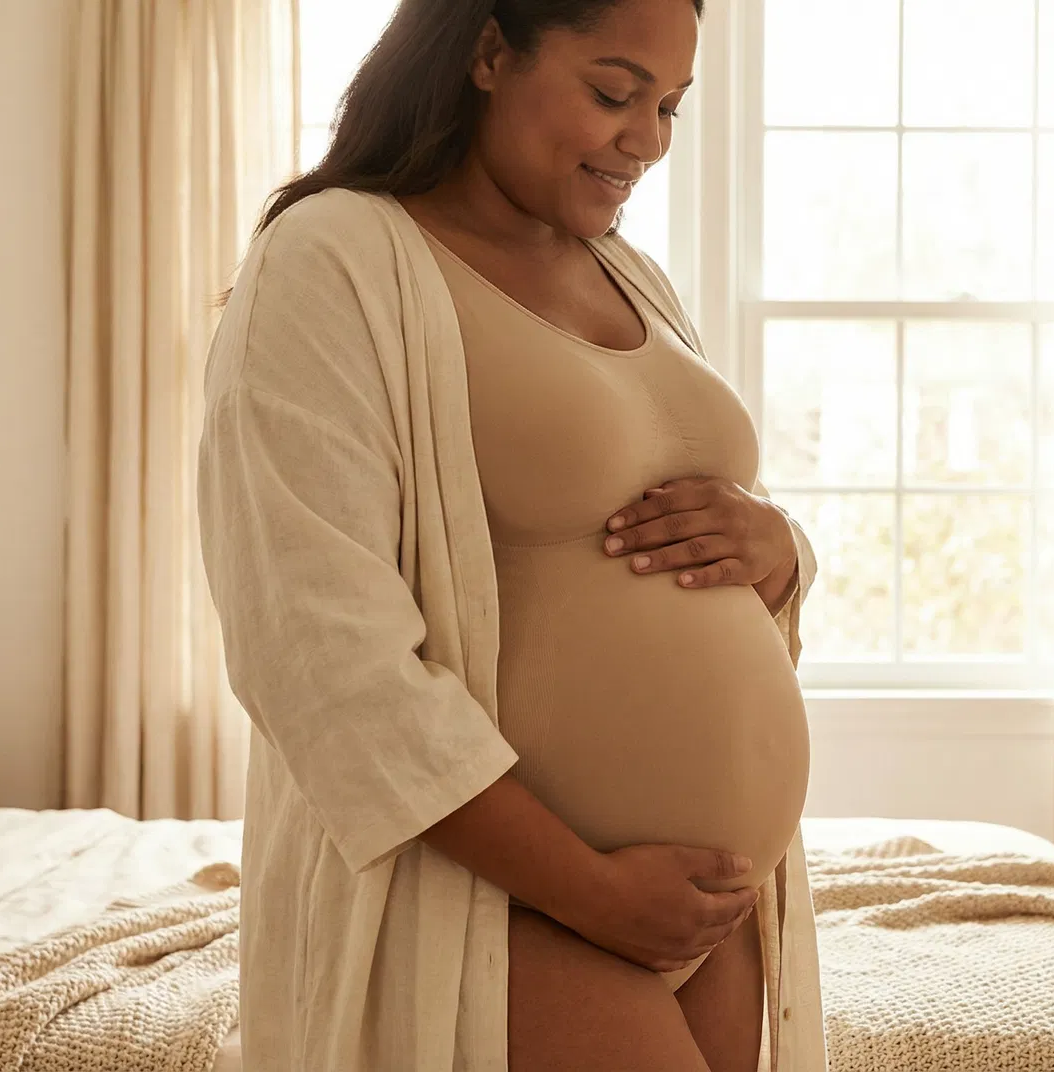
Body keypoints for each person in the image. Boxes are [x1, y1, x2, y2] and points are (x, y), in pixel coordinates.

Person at [195, 0, 827, 1068]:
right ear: (490, 52)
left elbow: (653, 541)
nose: (649, 139)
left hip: (706, 909)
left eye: (669, 105)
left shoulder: (628, 271)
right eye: (614, 93)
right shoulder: (335, 260)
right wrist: (594, 892)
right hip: (509, 899)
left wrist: (778, 549)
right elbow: (316, 654)